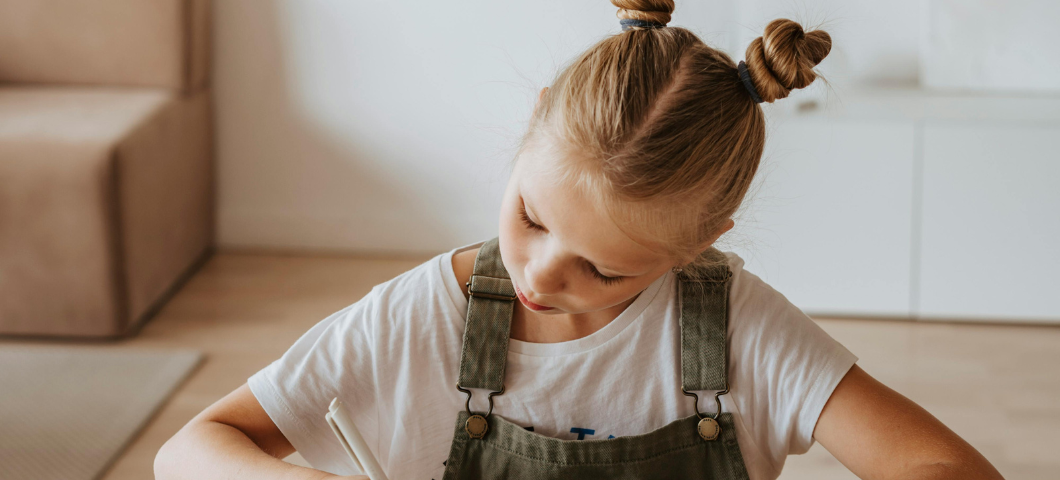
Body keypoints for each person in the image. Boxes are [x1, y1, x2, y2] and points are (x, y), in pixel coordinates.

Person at [155, 1, 1004, 479]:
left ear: (699, 243)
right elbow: (188, 452)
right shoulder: (422, 318)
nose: (539, 270)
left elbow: (950, 470)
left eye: (603, 268)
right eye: (530, 215)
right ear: (530, 133)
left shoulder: (739, 329)